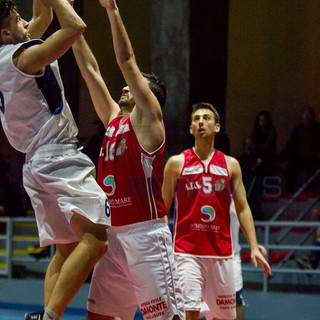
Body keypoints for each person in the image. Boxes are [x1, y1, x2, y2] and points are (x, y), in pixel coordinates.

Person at [71, 0, 185, 319]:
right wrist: (70, 24)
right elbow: (91, 71)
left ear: (148, 96)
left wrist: (112, 10)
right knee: (99, 316)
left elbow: (127, 61)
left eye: (134, 86)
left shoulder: (149, 121)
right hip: (112, 236)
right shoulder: (112, 120)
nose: (124, 86)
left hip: (146, 236)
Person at [0, 1, 110, 320]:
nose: (25, 20)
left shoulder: (8, 50)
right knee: (96, 239)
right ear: (6, 32)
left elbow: (42, 15)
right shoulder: (24, 56)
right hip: (56, 155)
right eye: (16, 18)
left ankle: (50, 316)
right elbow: (75, 28)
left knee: (66, 249)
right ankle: (47, 318)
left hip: (34, 164)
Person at [162, 102, 271, 320]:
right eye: (196, 119)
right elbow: (163, 207)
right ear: (191, 129)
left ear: (217, 127)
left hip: (222, 254)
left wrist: (253, 246)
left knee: (225, 317)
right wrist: (164, 244)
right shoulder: (176, 163)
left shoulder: (231, 165)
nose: (200, 121)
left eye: (206, 118)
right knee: (188, 313)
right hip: (186, 252)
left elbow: (242, 207)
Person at [279, 106, 320, 194]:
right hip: (299, 157)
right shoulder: (298, 129)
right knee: (288, 169)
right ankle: (293, 193)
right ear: (302, 117)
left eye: (310, 115)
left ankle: (310, 193)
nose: (308, 117)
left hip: (314, 157)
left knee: (313, 171)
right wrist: (286, 159)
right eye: (305, 115)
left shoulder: (318, 129)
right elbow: (290, 146)